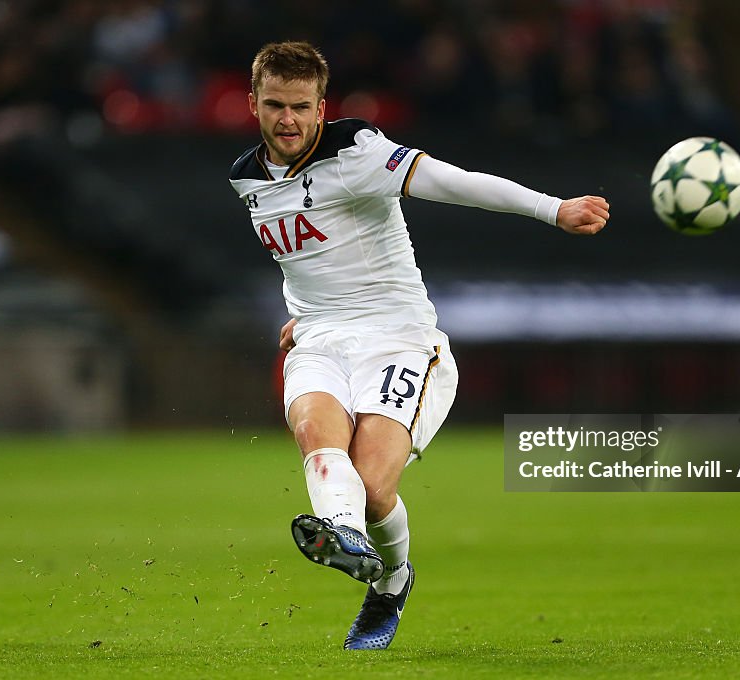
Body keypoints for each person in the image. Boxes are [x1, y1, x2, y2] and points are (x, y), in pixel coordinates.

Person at [228, 41, 609, 651]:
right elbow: (305, 260)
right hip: (321, 338)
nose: (288, 120)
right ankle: (342, 532)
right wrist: (301, 315)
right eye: (275, 105)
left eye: (302, 106)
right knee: (316, 433)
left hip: (399, 338)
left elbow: (452, 182)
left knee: (376, 489)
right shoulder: (247, 179)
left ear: (323, 108)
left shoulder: (358, 151)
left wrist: (553, 209)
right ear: (253, 103)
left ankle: (390, 581)